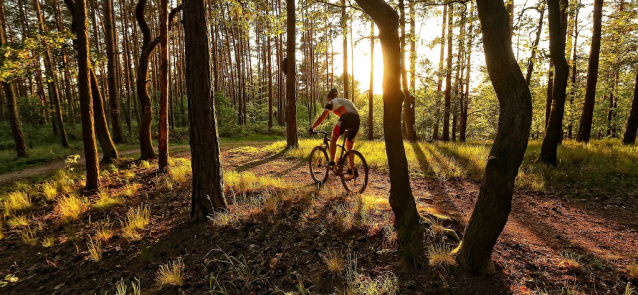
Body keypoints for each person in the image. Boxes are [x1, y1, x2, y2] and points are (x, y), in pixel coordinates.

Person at [309, 88, 360, 176]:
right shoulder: (346, 101)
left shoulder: (331, 102)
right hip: (357, 119)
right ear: (337, 96)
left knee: (334, 138)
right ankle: (353, 170)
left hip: (346, 118)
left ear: (329, 98)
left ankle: (332, 163)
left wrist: (312, 128)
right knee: (349, 146)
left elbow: (321, 118)